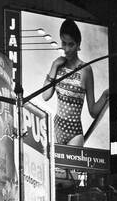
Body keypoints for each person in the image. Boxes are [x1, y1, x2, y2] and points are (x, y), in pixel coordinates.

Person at [34, 19, 108, 148]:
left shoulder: (86, 69)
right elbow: (45, 96)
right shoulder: (58, 66)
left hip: (75, 133)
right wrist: (54, 65)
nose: (67, 49)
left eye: (71, 44)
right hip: (56, 128)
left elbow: (93, 112)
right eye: (64, 43)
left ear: (78, 44)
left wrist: (105, 95)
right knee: (54, 168)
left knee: (74, 168)